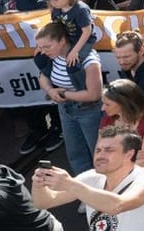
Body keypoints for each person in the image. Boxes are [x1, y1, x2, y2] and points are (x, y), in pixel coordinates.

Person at [33, 19, 102, 174]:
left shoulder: (88, 60)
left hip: (89, 111)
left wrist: (63, 94)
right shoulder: (51, 57)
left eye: (47, 46)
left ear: (63, 41)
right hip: (65, 109)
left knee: (99, 154)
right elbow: (43, 76)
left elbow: (94, 94)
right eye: (40, 47)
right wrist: (51, 91)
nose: (43, 52)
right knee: (76, 154)